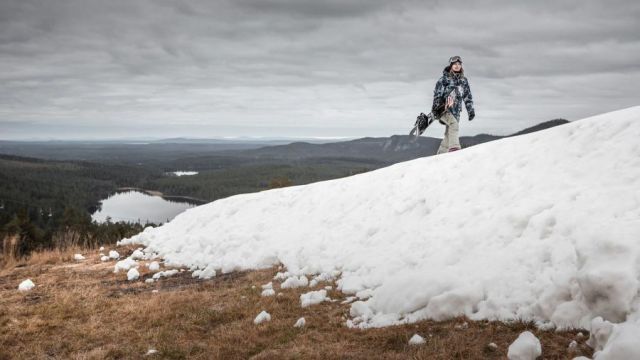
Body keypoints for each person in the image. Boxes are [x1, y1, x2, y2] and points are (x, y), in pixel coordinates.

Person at [431, 56, 475, 154]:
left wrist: (470, 111)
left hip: (456, 111)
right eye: (455, 64)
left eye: (459, 64)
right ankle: (455, 149)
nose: (457, 66)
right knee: (454, 125)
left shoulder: (464, 81)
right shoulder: (444, 79)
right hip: (443, 109)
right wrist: (437, 106)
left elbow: (467, 96)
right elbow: (437, 95)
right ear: (451, 66)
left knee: (449, 133)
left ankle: (440, 154)